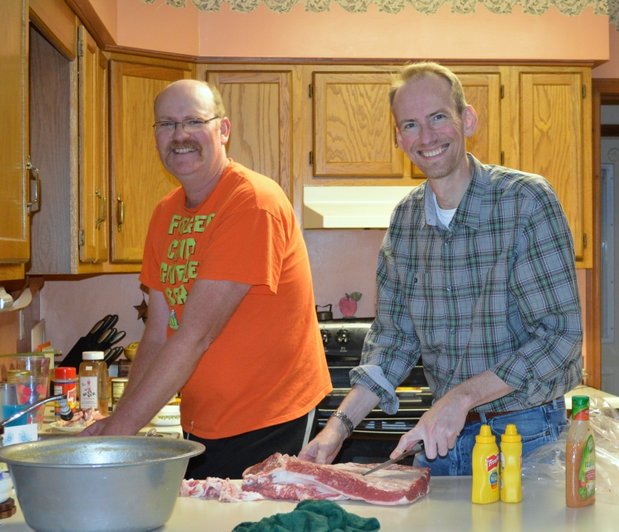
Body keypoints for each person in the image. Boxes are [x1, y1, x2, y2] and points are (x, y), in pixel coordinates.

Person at [299, 62, 583, 476]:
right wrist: (336, 430)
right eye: (410, 125)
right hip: (443, 440)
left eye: (438, 118)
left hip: (527, 434)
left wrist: (461, 397)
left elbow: (561, 337)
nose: (426, 137)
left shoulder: (524, 202)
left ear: (466, 119)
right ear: (399, 137)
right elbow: (393, 342)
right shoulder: (406, 220)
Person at [82, 79, 332, 480]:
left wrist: (118, 431)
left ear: (224, 130)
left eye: (193, 121)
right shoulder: (165, 213)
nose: (179, 135)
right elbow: (158, 333)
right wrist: (121, 421)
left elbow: (196, 334)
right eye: (166, 124)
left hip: (270, 419)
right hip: (202, 419)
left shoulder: (252, 202)